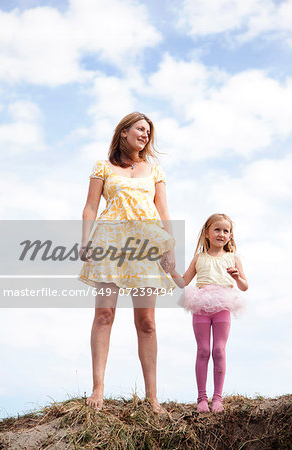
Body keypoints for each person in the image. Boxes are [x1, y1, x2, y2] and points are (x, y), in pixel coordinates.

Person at [79, 112, 175, 413]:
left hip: (146, 245)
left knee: (146, 322)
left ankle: (152, 397)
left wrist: (168, 246)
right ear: (124, 132)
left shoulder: (155, 170)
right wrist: (85, 241)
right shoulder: (103, 167)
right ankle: (98, 388)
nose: (146, 135)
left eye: (149, 132)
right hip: (110, 242)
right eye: (141, 129)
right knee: (104, 314)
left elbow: (163, 211)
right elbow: (91, 206)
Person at [170, 213, 248, 413]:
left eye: (226, 231)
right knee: (203, 350)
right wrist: (171, 271)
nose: (221, 234)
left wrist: (238, 277)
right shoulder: (199, 258)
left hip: (222, 305)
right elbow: (184, 282)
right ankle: (201, 398)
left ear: (230, 236)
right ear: (207, 233)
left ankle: (217, 398)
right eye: (217, 229)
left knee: (219, 350)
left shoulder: (233, 258)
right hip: (201, 305)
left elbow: (245, 286)